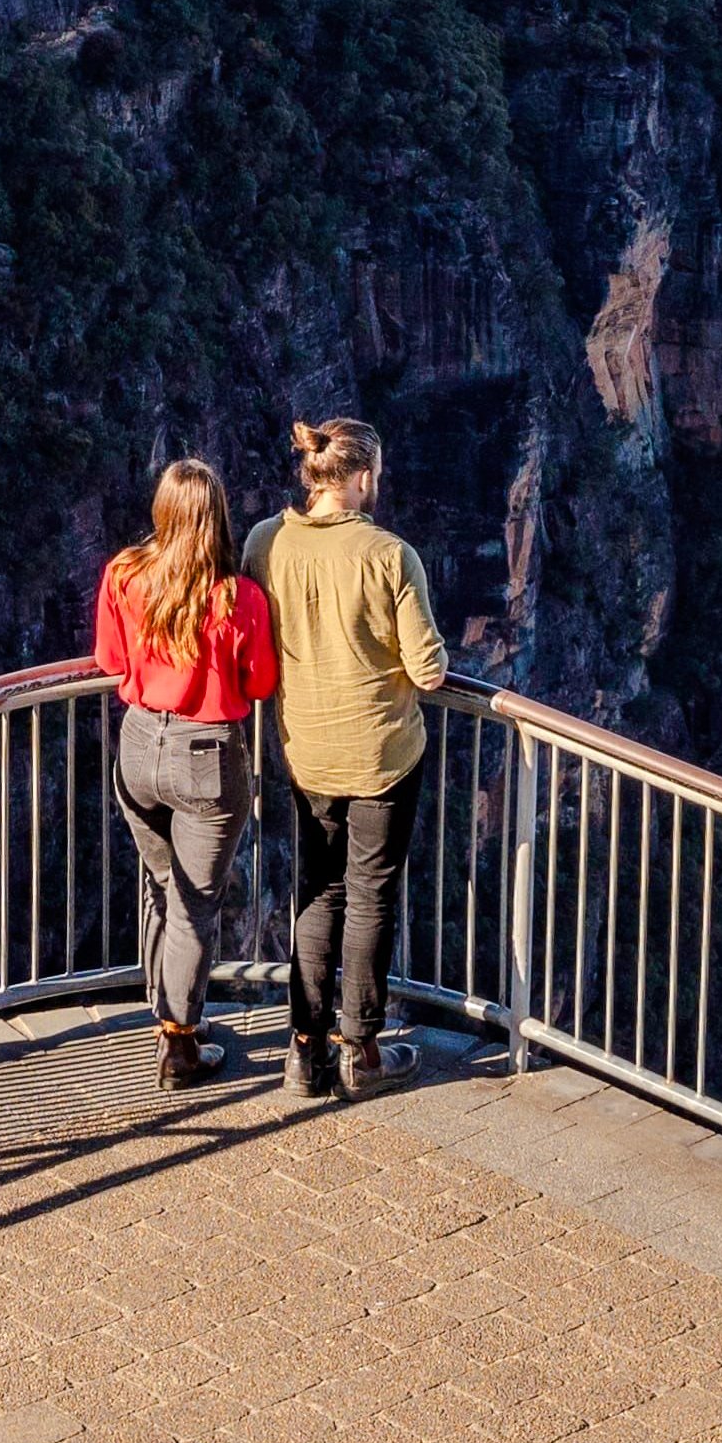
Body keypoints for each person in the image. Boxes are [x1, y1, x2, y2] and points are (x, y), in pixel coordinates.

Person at [256, 415, 453, 1098]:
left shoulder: (265, 542)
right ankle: (359, 1052)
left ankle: (303, 1052)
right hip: (380, 756)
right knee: (370, 897)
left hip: (305, 751)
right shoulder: (390, 555)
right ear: (363, 476)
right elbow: (428, 672)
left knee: (317, 891)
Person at [93, 457, 277, 1088]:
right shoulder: (238, 598)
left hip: (139, 744)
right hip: (207, 757)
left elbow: (109, 658)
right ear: (218, 517)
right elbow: (261, 682)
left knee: (161, 881)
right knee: (196, 905)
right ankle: (179, 1044)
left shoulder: (123, 574)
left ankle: (162, 1011)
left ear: (162, 512)